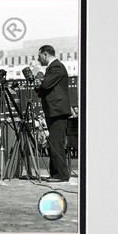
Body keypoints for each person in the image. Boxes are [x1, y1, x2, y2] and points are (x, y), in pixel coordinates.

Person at [34, 45, 71, 182]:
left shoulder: (56, 67)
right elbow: (42, 89)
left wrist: (39, 79)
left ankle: (61, 175)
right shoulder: (54, 68)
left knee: (56, 143)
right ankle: (56, 173)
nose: (38, 60)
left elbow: (44, 86)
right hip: (54, 110)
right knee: (54, 143)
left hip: (57, 111)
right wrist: (39, 83)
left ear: (45, 55)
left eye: (39, 56)